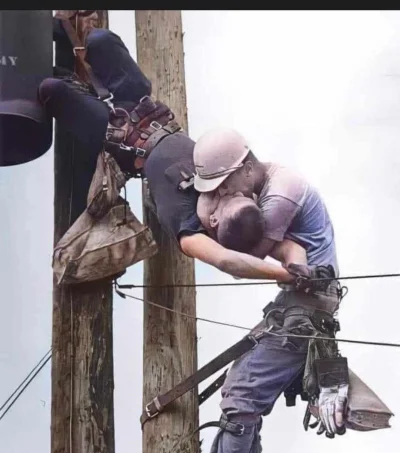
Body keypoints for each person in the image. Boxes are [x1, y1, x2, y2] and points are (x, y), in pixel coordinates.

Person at [148, 128, 348, 453]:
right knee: (241, 394)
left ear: (246, 167)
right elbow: (290, 250)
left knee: (242, 396)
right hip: (296, 307)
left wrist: (192, 216)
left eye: (224, 185)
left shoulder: (280, 193)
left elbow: (236, 255)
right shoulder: (264, 185)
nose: (222, 194)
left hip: (304, 312)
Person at [39, 10, 308, 286]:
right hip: (144, 108)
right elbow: (288, 247)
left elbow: (227, 262)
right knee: (99, 41)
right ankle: (61, 30)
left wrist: (281, 275)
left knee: (51, 89)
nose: (225, 193)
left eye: (226, 201)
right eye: (236, 195)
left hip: (119, 137)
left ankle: (29, 57)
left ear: (214, 221)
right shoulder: (234, 200)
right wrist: (301, 269)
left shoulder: (189, 224)